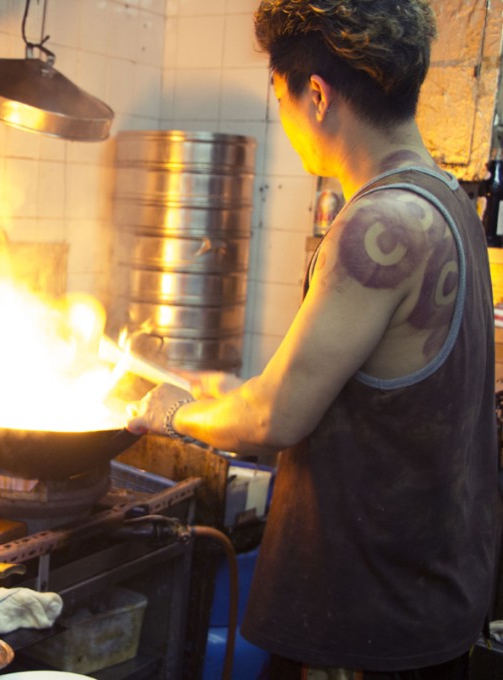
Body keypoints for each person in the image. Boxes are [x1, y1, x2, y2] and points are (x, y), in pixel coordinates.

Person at [125, 0, 501, 677]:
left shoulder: (378, 225)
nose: (284, 116)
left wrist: (170, 413)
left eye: (280, 96)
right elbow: (346, 391)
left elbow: (276, 418)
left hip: (364, 623)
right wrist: (236, 395)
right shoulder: (447, 200)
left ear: (318, 96)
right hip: (429, 601)